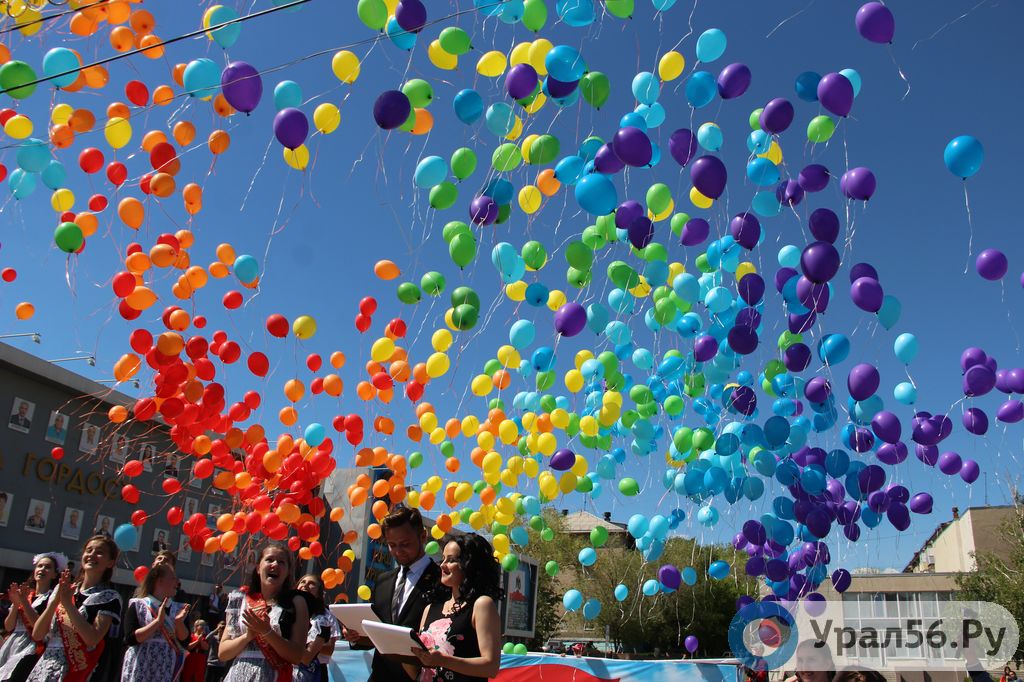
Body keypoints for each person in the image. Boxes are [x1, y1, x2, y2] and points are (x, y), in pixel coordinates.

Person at [343, 506, 441, 682]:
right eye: (391, 545)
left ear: (423, 536)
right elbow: (378, 632)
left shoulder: (442, 580)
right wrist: (356, 636)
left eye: (405, 544)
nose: (398, 551)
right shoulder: (383, 580)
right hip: (379, 676)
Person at [408, 534, 502, 681]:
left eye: (451, 560)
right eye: (443, 558)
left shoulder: (482, 605)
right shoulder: (430, 609)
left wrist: (443, 660)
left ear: (469, 565)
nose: (442, 565)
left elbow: (491, 666)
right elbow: (418, 671)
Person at [28, 535, 123, 681]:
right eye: (89, 550)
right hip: (44, 666)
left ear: (110, 562)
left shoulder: (109, 597)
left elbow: (92, 638)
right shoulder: (65, 589)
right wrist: (55, 601)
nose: (92, 555)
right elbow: (38, 634)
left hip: (75, 669)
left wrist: (67, 604)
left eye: (100, 552)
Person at [218, 541, 311, 680]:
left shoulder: (297, 602)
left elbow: (297, 656)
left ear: (287, 572)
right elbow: (223, 653)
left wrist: (266, 632)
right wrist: (247, 636)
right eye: (269, 560)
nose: (275, 565)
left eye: (281, 562)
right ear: (258, 568)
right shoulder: (241, 599)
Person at [121, 562, 192, 682]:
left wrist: (179, 623)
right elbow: (130, 638)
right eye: (173, 578)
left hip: (166, 667)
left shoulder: (179, 608)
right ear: (160, 581)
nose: (177, 582)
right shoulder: (138, 605)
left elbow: (185, 641)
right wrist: (157, 622)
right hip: (141, 665)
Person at [0, 552, 64, 681]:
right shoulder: (26, 594)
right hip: (13, 643)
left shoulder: (52, 599)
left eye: (47, 567)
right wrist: (16, 604)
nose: (42, 569)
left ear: (54, 574)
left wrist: (24, 603)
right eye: (39, 566)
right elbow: (9, 626)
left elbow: (40, 628)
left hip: (32, 646)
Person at [294, 573, 339, 682]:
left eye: (311, 584)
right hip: (287, 669)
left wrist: (307, 645)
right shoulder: (286, 611)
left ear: (319, 592)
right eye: (303, 582)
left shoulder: (325, 617)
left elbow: (329, 649)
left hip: (315, 672)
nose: (305, 585)